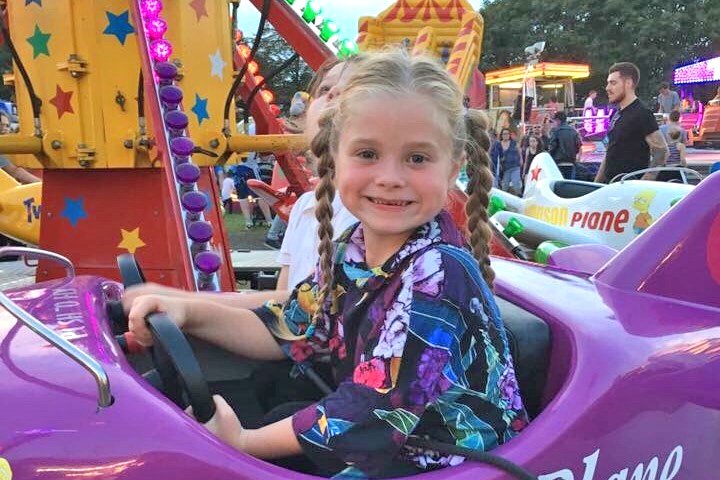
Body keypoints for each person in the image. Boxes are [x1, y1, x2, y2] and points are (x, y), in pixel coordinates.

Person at [124, 50, 527, 478]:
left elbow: (373, 410)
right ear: (334, 159)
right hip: (387, 441)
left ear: (452, 170)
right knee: (270, 404)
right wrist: (188, 313)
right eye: (367, 153)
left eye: (417, 158)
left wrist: (242, 443)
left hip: (444, 461)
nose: (390, 177)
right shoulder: (350, 251)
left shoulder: (438, 272)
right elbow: (288, 325)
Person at [595, 62, 668, 183]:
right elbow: (610, 152)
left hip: (629, 188)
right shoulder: (616, 114)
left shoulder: (642, 113)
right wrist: (596, 184)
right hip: (611, 187)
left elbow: (661, 151)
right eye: (608, 83)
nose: (607, 88)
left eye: (613, 83)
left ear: (628, 83)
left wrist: (642, 183)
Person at [548, 111, 582, 177]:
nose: (553, 123)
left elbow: (552, 147)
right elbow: (578, 146)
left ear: (558, 120)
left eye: (554, 121)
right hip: (571, 162)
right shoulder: (573, 131)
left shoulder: (556, 131)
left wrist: (549, 155)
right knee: (569, 181)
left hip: (558, 162)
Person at [490, 128, 522, 194]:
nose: (506, 135)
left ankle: (519, 195)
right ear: (501, 135)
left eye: (507, 134)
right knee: (505, 186)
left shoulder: (514, 143)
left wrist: (521, 159)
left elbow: (519, 151)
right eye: (504, 134)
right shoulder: (498, 144)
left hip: (515, 166)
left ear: (509, 135)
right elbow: (496, 155)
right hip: (505, 168)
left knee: (516, 182)